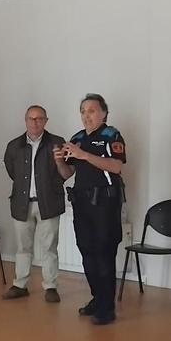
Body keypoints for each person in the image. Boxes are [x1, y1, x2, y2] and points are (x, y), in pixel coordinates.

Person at [54, 93, 126, 325]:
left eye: (92, 111)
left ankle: (108, 307)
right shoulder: (76, 138)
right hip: (82, 204)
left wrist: (85, 155)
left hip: (105, 204)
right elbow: (67, 174)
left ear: (103, 113)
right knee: (87, 252)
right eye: (83, 111)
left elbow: (116, 166)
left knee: (104, 254)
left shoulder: (111, 135)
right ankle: (97, 298)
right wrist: (59, 161)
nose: (87, 115)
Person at [2, 105, 66, 302]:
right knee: (23, 247)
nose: (35, 122)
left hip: (49, 203)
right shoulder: (14, 146)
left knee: (49, 247)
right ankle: (20, 284)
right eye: (31, 118)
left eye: (39, 119)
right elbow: (12, 170)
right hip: (22, 203)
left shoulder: (57, 143)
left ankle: (51, 287)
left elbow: (63, 173)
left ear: (46, 121)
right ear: (25, 120)